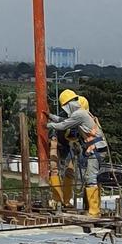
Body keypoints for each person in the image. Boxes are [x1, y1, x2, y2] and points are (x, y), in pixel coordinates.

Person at [46, 88, 108, 217]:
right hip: (94, 149)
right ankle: (87, 207)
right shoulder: (84, 114)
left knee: (90, 178)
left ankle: (94, 211)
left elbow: (64, 125)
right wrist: (50, 116)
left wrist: (48, 125)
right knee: (89, 177)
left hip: (95, 149)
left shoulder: (79, 115)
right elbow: (64, 120)